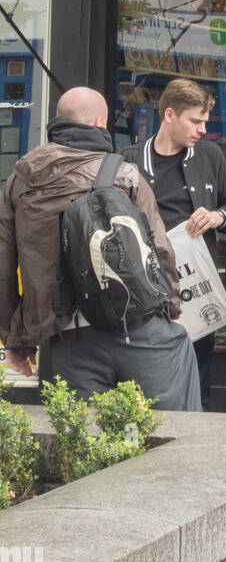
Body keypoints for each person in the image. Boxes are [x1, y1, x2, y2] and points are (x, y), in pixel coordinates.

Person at [0, 86, 200, 409]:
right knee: (171, 436)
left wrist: (16, 341)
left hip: (65, 340)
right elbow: (161, 250)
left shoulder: (21, 178)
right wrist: (171, 310)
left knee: (76, 447)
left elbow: (4, 266)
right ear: (99, 122)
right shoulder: (125, 174)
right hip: (137, 331)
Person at [120, 78, 226, 410]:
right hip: (146, 285)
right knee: (145, 370)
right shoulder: (128, 159)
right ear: (169, 114)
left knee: (197, 370)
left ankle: (195, 446)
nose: (203, 129)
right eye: (196, 120)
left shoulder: (209, 154)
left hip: (195, 280)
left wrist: (218, 216)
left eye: (205, 121)